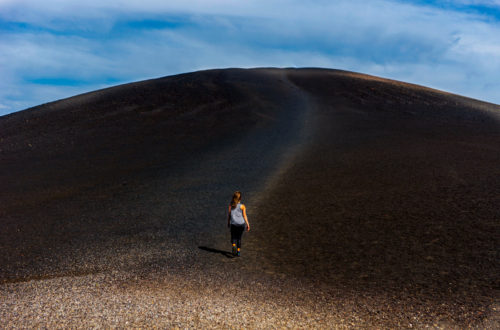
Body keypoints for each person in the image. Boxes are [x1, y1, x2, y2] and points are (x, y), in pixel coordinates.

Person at [227, 191, 250, 256]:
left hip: (233, 224)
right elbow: (245, 216)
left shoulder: (231, 205)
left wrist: (228, 223)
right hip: (241, 224)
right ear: (240, 198)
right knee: (239, 238)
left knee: (233, 237)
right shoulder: (242, 206)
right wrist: (248, 224)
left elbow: (229, 215)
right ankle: (238, 251)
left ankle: (234, 245)